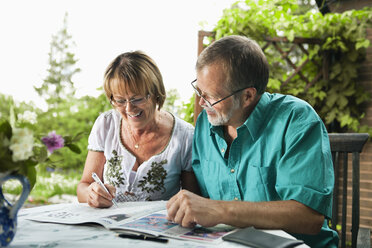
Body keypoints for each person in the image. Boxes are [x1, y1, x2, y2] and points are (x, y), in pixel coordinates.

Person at [166, 35, 339, 248]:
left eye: (211, 96)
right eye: (198, 91)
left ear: (248, 96)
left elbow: (309, 217)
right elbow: (200, 200)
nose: (201, 102)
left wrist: (221, 210)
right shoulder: (204, 124)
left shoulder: (297, 120)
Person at [77, 51, 199, 208]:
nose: (129, 108)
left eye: (137, 99)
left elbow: (193, 201)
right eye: (120, 100)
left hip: (157, 228)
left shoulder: (185, 136)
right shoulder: (106, 124)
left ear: (155, 93)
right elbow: (84, 186)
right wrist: (91, 194)